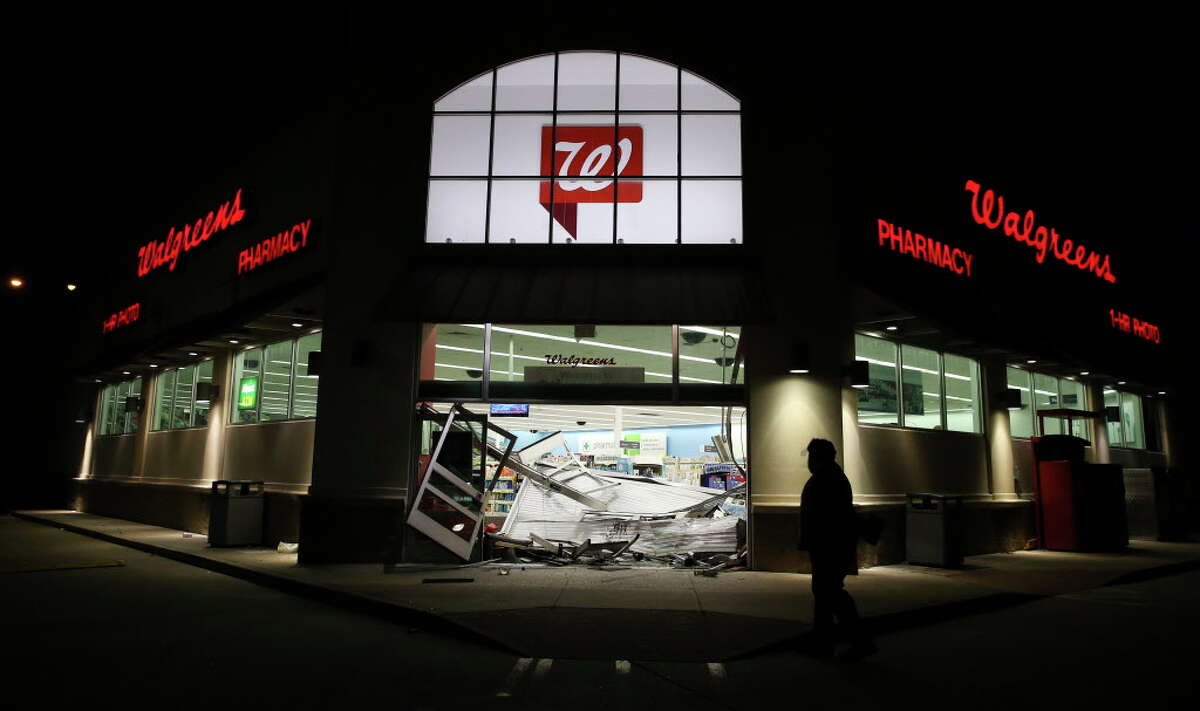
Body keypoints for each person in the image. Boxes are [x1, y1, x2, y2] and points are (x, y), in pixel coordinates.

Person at [799, 438, 877, 659]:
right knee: (826, 594)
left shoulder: (827, 479)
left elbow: (825, 516)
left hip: (829, 547)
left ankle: (855, 641)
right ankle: (825, 643)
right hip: (831, 545)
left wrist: (812, 540)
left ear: (819, 457)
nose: (809, 461)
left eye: (812, 456)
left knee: (829, 593)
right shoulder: (833, 477)